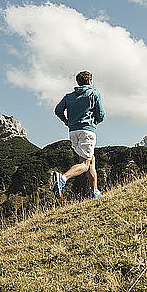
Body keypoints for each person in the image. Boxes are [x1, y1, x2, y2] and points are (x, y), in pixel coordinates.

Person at [53, 70, 105, 200]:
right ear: (90, 81)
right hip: (87, 131)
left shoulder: (68, 97)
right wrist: (96, 121)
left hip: (73, 132)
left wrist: (66, 121)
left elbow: (58, 110)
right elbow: (101, 114)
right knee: (85, 164)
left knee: (90, 160)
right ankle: (62, 178)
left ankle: (95, 191)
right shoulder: (94, 94)